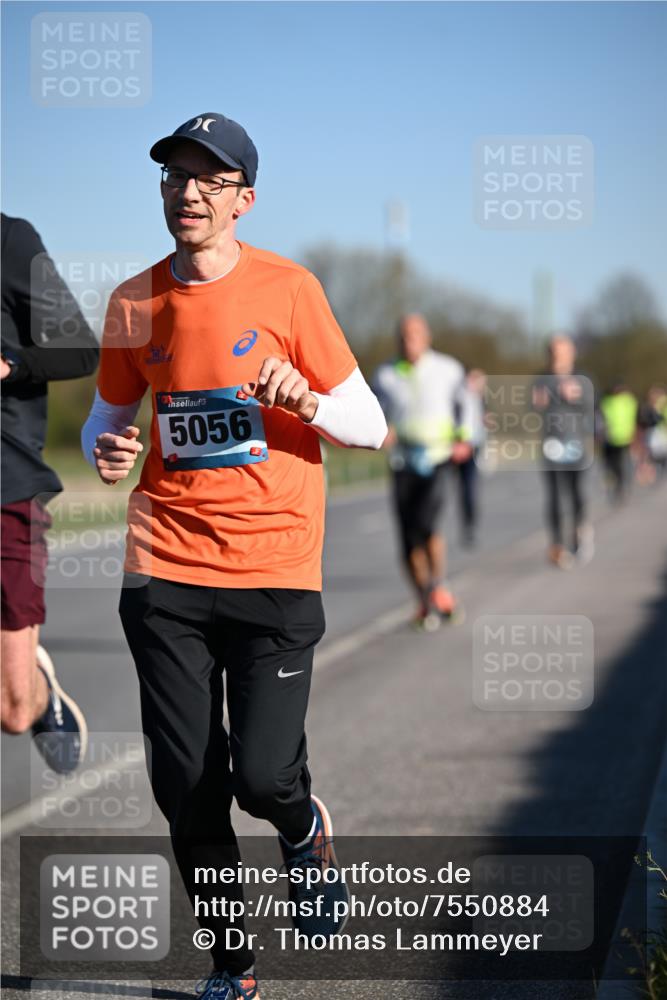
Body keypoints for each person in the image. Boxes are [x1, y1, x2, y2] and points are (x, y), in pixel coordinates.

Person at [81, 111, 387, 1000]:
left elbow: (370, 426)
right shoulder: (133, 301)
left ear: (243, 200)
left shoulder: (291, 290)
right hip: (164, 568)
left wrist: (307, 401)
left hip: (274, 568)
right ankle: (233, 967)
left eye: (208, 180)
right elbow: (108, 418)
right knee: (187, 784)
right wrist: (110, 449)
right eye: (174, 176)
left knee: (259, 776)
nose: (187, 192)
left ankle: (300, 826)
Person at [1, 213, 98, 772]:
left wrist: (9, 364)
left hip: (5, 485)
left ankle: (36, 691)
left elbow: (80, 350)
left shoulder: (9, 240)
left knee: (12, 710)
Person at [372, 314, 471, 629]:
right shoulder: (385, 374)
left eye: (414, 334)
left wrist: (464, 437)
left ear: (427, 337)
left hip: (438, 456)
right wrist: (380, 429)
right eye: (403, 335)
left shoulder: (447, 368)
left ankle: (438, 585)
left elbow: (466, 405)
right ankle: (423, 600)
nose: (408, 340)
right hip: (402, 460)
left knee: (427, 524)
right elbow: (374, 411)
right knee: (407, 539)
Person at [532, 335, 594, 569]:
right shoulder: (541, 380)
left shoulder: (582, 378)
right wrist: (538, 403)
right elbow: (531, 407)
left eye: (561, 352)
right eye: (553, 352)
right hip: (551, 444)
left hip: (576, 444)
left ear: (571, 353)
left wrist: (575, 397)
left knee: (576, 493)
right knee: (554, 495)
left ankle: (579, 533)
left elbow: (591, 407)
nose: (557, 357)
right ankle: (557, 545)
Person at [455, 368, 487, 547]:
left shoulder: (481, 398)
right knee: (459, 488)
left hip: (474, 446)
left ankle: (470, 525)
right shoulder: (458, 395)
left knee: (469, 487)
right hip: (455, 446)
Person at [599, 380, 638, 503]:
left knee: (622, 464)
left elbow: (634, 418)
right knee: (610, 464)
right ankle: (614, 485)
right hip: (609, 438)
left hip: (624, 438)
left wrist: (634, 434)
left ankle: (622, 486)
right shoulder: (606, 401)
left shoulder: (629, 401)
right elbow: (601, 419)